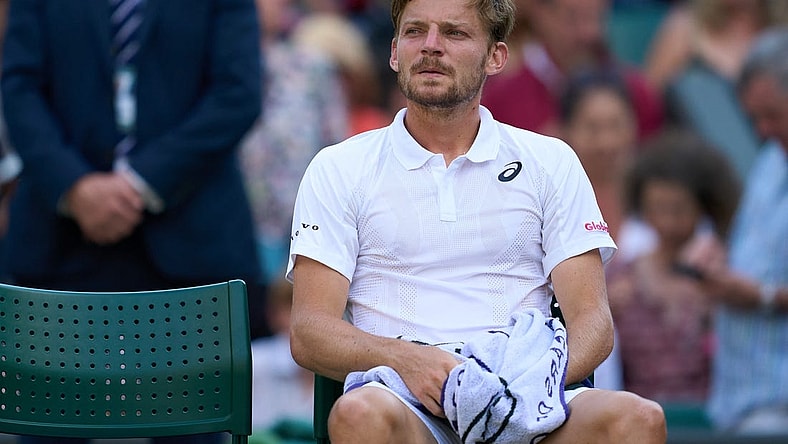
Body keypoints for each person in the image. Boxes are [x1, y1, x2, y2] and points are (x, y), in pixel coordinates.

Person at [287, 0, 667, 442]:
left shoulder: (551, 161)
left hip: (528, 394)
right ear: (394, 52)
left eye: (454, 33)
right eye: (415, 32)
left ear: (496, 57)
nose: (431, 47)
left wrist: (518, 388)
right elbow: (309, 331)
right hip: (404, 399)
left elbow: (594, 326)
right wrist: (407, 361)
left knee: (640, 419)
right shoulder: (338, 167)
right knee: (359, 414)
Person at [1, 0, 263, 442]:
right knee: (46, 429)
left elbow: (237, 92)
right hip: (59, 245)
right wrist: (75, 187)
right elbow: (19, 85)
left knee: (192, 430)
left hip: (190, 247)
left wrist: (139, 184)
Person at [685, 26, 788, 436]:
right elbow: (755, 249)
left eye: (773, 115)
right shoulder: (770, 160)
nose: (761, 129)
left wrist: (759, 295)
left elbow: (760, 283)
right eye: (755, 118)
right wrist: (716, 256)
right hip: (739, 399)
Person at [609, 129, 740, 412]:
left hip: (716, 418)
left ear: (704, 206)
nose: (667, 223)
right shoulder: (621, 277)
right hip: (640, 416)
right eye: (656, 208)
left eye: (679, 210)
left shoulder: (726, 275)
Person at [241, 0, 347, 285]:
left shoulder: (312, 66)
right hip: (239, 222)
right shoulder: (216, 67)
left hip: (304, 220)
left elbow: (336, 141)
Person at [481, 0, 664, 140]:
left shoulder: (637, 91)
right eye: (573, 18)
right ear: (541, 14)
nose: (587, 32)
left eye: (594, 17)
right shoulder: (500, 98)